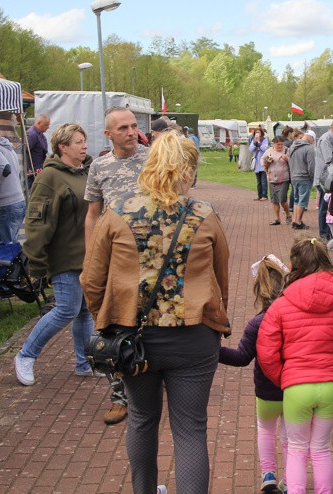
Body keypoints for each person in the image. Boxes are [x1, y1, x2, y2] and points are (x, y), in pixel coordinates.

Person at [81, 131, 230, 494]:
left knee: (143, 419)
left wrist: (107, 320)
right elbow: (220, 280)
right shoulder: (204, 215)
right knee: (191, 428)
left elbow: (92, 280)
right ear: (189, 170)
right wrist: (214, 324)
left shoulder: (117, 214)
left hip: (134, 339)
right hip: (193, 338)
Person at [257, 237, 333, 494]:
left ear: (295, 264)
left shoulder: (281, 305)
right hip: (330, 387)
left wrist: (283, 377)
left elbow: (266, 351)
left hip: (296, 385)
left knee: (296, 448)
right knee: (320, 449)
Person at [14, 123, 96, 385]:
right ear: (62, 146)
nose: (84, 146)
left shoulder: (85, 172)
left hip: (87, 257)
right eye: (78, 142)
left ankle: (86, 362)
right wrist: (36, 262)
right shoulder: (50, 177)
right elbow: (37, 222)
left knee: (85, 312)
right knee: (65, 310)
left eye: (84, 141)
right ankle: (26, 355)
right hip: (64, 257)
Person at [84, 107, 149, 426]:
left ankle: (152, 386)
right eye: (123, 127)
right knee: (112, 324)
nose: (131, 132)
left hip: (152, 258)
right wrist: (90, 256)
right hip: (114, 259)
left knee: (151, 322)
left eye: (134, 126)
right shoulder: (99, 166)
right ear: (108, 134)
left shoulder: (153, 159)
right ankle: (119, 396)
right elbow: (93, 215)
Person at [220, 255, 289, 493]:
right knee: (292, 438)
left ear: (258, 291)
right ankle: (291, 478)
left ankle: (268, 475)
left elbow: (241, 357)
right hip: (293, 390)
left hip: (265, 391)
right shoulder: (294, 318)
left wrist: (213, 351)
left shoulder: (256, 323)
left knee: (266, 431)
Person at [0, 113, 26, 245]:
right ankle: (17, 265)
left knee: (4, 247)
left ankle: (13, 266)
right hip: (17, 200)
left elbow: (4, 168)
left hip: (5, 204)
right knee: (11, 244)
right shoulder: (7, 146)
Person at [314, 119, 333, 240]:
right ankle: (324, 233)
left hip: (330, 178)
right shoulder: (327, 139)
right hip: (325, 179)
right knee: (324, 206)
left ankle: (328, 232)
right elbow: (329, 159)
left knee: (328, 205)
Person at [287, 129, 315, 230]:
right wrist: (312, 177)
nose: (313, 142)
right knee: (302, 201)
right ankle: (298, 222)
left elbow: (289, 161)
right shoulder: (309, 149)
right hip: (304, 177)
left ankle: (295, 220)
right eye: (313, 140)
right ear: (311, 138)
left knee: (296, 199)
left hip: (294, 176)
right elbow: (311, 165)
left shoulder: (292, 146)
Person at [263, 136, 291, 225]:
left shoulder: (287, 150)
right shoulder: (269, 151)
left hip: (284, 178)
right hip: (272, 178)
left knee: (282, 199)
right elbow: (262, 161)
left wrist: (287, 159)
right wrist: (267, 162)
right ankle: (277, 218)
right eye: (278, 144)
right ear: (273, 144)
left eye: (281, 144)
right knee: (274, 200)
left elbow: (293, 162)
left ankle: (288, 214)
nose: (280, 146)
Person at [26, 113, 50, 190]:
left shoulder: (40, 135)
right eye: (46, 125)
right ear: (39, 123)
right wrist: (27, 168)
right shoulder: (32, 134)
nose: (48, 127)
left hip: (38, 170)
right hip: (32, 173)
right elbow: (25, 151)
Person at [249, 128, 270, 201]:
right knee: (258, 181)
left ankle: (264, 195)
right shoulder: (253, 141)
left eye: (258, 132)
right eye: (256, 133)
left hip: (263, 162)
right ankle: (259, 195)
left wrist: (259, 142)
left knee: (263, 180)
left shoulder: (264, 140)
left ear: (261, 133)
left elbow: (264, 148)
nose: (257, 134)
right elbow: (251, 149)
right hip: (256, 162)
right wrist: (256, 144)